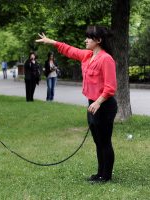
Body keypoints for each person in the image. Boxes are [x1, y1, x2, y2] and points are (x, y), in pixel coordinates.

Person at [36, 26, 118, 183]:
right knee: (97, 141)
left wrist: (98, 102)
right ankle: (100, 173)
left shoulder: (106, 59)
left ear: (99, 40)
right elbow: (69, 50)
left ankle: (106, 176)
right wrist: (51, 41)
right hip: (92, 104)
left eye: (89, 37)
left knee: (105, 141)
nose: (85, 40)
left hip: (105, 106)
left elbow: (110, 87)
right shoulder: (87, 56)